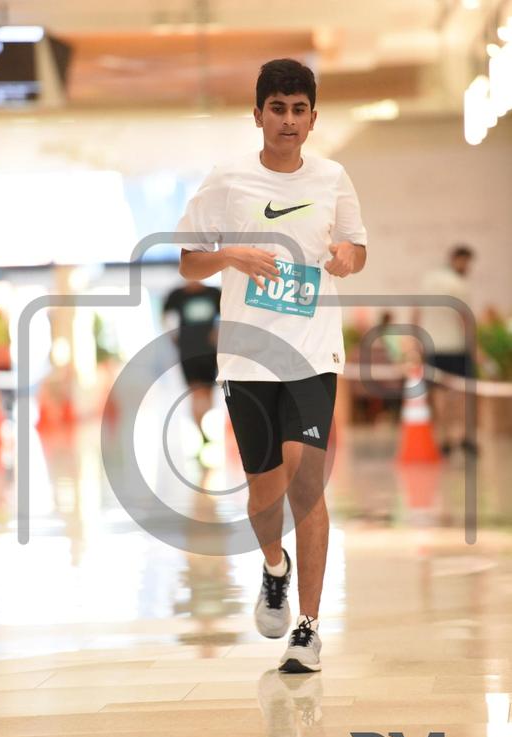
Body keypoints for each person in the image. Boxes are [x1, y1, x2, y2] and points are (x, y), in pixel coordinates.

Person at [176, 59, 367, 672]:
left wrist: (347, 255)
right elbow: (188, 261)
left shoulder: (332, 177)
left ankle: (308, 629)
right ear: (257, 115)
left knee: (306, 481)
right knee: (264, 493)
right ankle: (274, 567)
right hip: (248, 357)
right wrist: (230, 254)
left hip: (312, 352)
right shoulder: (227, 180)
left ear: (313, 118)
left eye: (299, 109)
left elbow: (357, 247)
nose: (288, 120)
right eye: (277, 109)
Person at [416, 246, 476, 455]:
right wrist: (473, 346)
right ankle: (462, 436)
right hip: (456, 346)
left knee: (439, 393)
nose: (468, 267)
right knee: (460, 393)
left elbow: (417, 312)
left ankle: (444, 438)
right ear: (458, 259)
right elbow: (464, 318)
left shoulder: (428, 281)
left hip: (432, 346)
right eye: (467, 262)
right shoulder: (459, 284)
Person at [162, 280, 221, 446]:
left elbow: (226, 312)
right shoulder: (177, 295)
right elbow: (165, 316)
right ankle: (201, 433)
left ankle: (206, 429)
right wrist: (173, 336)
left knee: (208, 391)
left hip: (209, 351)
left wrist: (218, 332)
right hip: (188, 352)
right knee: (196, 391)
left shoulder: (213, 293)